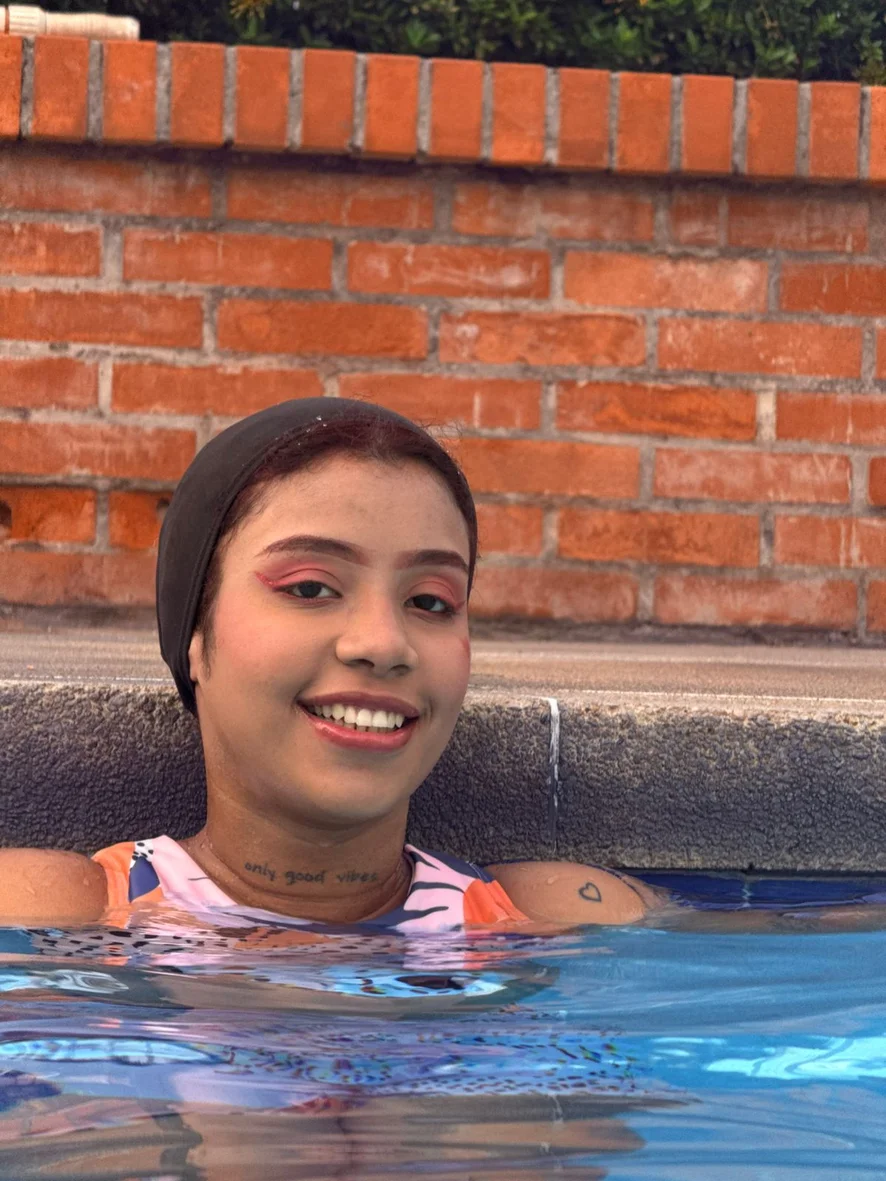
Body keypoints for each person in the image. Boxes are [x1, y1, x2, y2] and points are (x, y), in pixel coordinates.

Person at [0, 398, 660, 931]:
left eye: (430, 600)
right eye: (311, 587)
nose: (384, 643)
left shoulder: (561, 919)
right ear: (194, 635)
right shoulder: (47, 909)